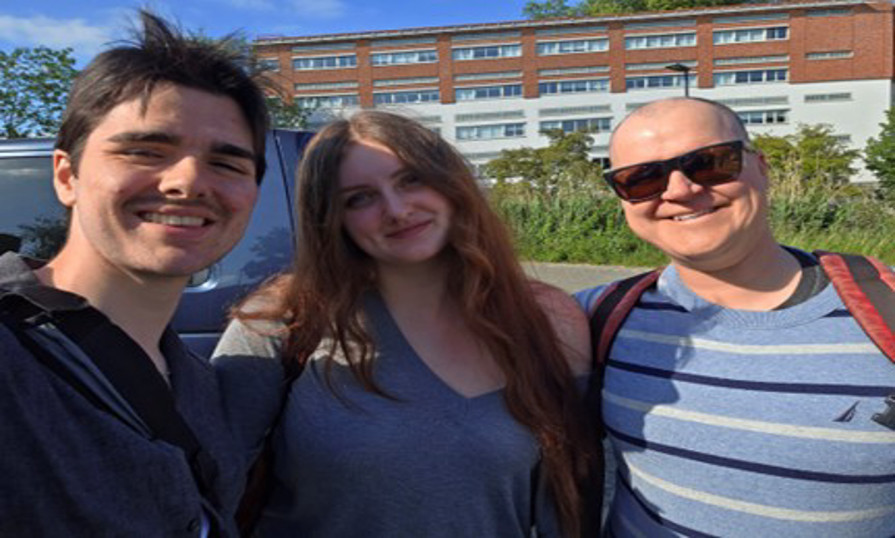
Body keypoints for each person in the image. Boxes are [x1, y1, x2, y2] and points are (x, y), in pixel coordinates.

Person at [212, 110, 596, 538]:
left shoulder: (548, 318)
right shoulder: (282, 317)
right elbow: (209, 487)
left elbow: (566, 499)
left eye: (411, 179)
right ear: (331, 220)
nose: (396, 210)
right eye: (359, 198)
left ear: (451, 183)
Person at [0, 11, 269, 537]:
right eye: (146, 151)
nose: (188, 182)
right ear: (67, 176)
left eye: (228, 164)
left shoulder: (197, 381)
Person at [576, 97, 895, 537]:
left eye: (708, 163)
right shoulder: (593, 318)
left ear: (762, 167)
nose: (679, 190)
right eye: (640, 178)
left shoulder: (884, 309)